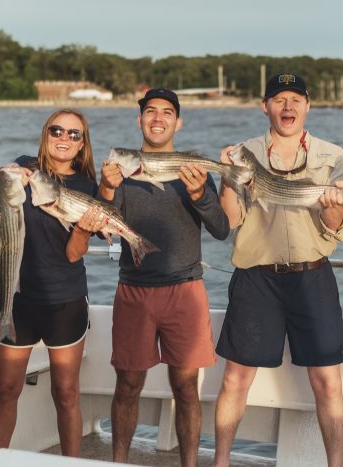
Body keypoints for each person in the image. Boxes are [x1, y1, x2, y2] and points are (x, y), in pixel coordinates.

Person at [212, 73, 343, 467]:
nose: (288, 107)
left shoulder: (333, 155)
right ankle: (220, 462)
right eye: (279, 99)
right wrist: (228, 178)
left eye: (296, 99)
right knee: (235, 379)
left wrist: (332, 204)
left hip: (313, 275)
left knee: (327, 382)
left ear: (308, 106)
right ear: (265, 106)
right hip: (256, 277)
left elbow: (335, 225)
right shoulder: (242, 153)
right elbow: (231, 219)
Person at [98, 88, 230, 467]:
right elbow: (102, 225)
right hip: (133, 290)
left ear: (178, 122)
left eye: (167, 112)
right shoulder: (119, 172)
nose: (158, 118)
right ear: (139, 120)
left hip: (185, 291)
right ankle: (118, 462)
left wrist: (201, 192)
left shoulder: (192, 169)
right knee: (127, 385)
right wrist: (107, 187)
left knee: (186, 387)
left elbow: (221, 229)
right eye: (150, 112)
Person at [0, 109, 108, 456]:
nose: (64, 138)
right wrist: (8, 176)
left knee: (67, 393)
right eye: (57, 130)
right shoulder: (25, 165)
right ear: (45, 133)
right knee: (7, 390)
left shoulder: (87, 186)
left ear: (83, 144)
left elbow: (74, 254)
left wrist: (85, 228)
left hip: (65, 301)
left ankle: (72, 463)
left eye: (74, 134)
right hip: (17, 298)